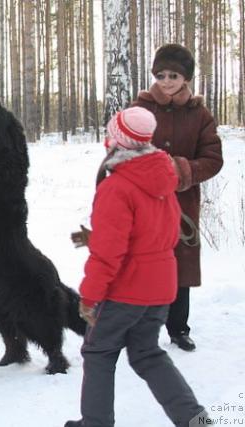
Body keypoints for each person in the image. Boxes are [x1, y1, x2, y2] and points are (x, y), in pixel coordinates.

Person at [65, 107, 206, 427]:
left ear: (117, 141)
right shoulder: (161, 177)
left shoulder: (117, 186)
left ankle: (95, 423)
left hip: (125, 290)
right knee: (146, 353)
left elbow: (109, 254)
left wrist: (89, 296)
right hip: (160, 287)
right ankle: (194, 420)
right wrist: (95, 236)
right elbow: (158, 235)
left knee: (99, 353)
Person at [133, 43, 223, 351]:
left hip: (183, 205)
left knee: (179, 266)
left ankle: (178, 328)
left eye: (174, 75)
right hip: (145, 203)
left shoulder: (200, 114)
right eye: (161, 75)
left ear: (186, 77)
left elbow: (213, 159)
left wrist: (180, 170)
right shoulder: (141, 108)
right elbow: (125, 149)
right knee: (145, 263)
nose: (167, 81)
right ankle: (143, 328)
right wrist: (149, 171)